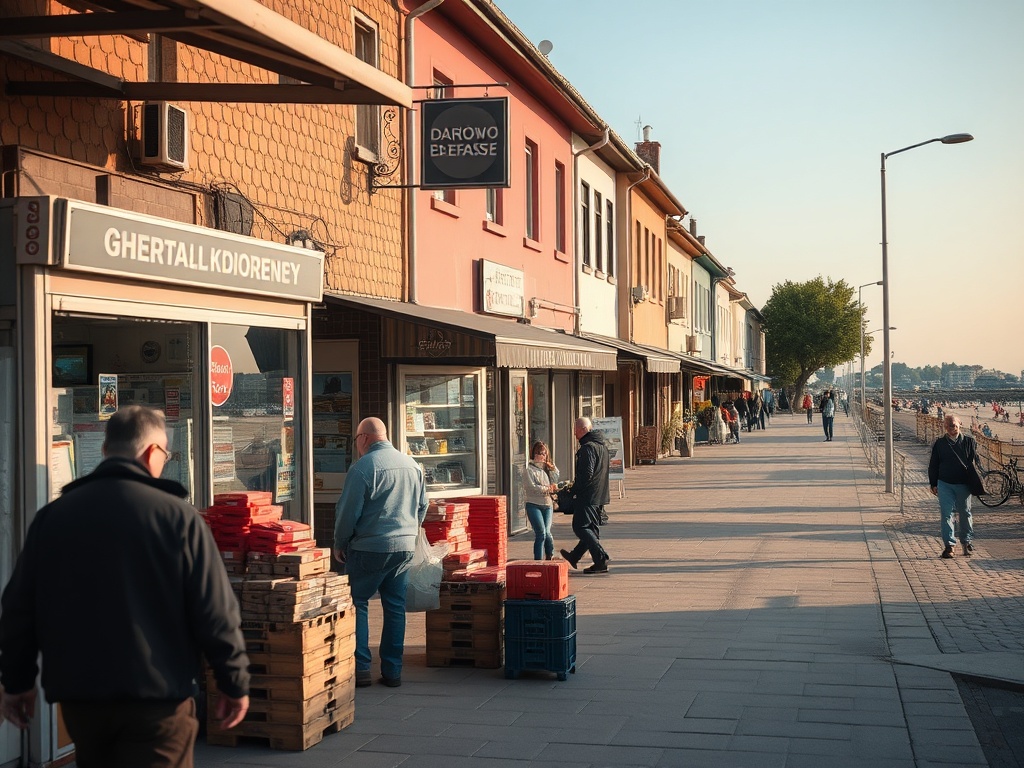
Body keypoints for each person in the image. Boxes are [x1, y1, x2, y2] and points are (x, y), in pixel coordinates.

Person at [0, 406, 250, 767]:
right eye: (165, 454)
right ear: (151, 452)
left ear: (105, 451)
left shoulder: (54, 517)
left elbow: (19, 608)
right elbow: (214, 611)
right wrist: (233, 681)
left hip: (82, 701)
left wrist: (17, 682)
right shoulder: (177, 517)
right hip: (159, 701)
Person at [334, 417, 428, 688]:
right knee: (395, 607)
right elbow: (423, 505)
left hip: (369, 547)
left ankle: (361, 667)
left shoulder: (363, 467)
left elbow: (348, 512)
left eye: (356, 439)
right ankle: (392, 671)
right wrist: (409, 531)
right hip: (404, 547)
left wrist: (340, 542)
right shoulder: (412, 465)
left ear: (364, 438)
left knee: (358, 602)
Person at [559, 417, 611, 575]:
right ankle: (575, 556)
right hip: (599, 495)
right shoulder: (602, 447)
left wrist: (572, 489)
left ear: (583, 429)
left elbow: (586, 475)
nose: (574, 433)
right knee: (591, 530)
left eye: (575, 429)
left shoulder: (588, 448)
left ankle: (601, 559)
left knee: (580, 527)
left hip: (588, 495)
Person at [927, 414, 981, 559]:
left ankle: (966, 542)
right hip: (945, 484)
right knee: (946, 514)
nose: (952, 428)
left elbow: (974, 462)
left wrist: (976, 481)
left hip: (963, 484)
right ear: (945, 427)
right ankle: (949, 546)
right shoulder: (939, 443)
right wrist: (933, 483)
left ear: (960, 425)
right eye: (949, 426)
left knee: (965, 513)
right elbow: (933, 464)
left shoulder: (969, 441)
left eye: (954, 425)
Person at [524, 441, 559, 560]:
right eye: (539, 453)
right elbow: (531, 487)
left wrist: (553, 469)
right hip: (533, 504)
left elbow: (555, 480)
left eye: (544, 453)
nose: (542, 456)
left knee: (547, 532)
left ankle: (550, 555)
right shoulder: (529, 469)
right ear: (534, 454)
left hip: (547, 504)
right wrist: (547, 488)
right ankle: (538, 561)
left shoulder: (547, 468)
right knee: (541, 533)